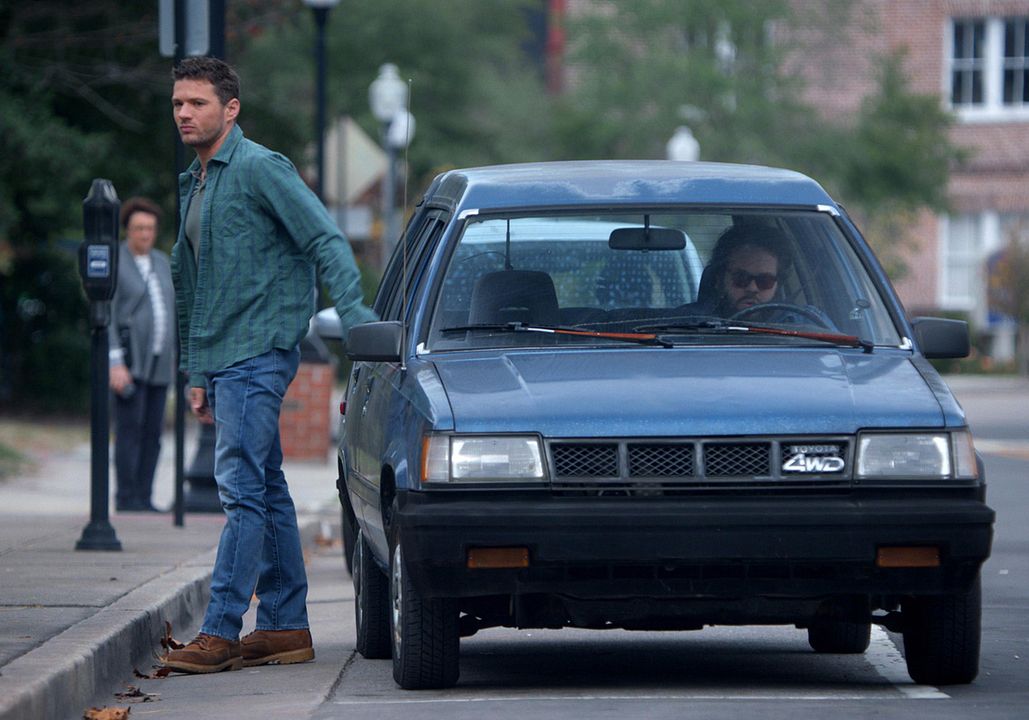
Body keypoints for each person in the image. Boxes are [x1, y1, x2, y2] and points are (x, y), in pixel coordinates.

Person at [161, 57, 376, 674]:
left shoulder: (260, 169)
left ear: (230, 109)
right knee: (265, 487)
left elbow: (324, 239)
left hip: (259, 353)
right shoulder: (196, 183)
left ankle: (221, 630)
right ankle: (284, 627)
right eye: (178, 103)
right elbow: (197, 287)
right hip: (223, 357)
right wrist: (196, 371)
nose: (183, 113)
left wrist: (355, 316)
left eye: (196, 103)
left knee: (240, 491)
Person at [109, 197, 175, 513]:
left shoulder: (163, 262)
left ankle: (144, 497)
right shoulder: (117, 261)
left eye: (149, 228)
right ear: (127, 231)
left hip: (161, 363)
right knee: (129, 431)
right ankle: (126, 497)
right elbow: (106, 316)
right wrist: (114, 363)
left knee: (153, 433)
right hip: (130, 362)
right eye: (138, 228)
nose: (145, 234)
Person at [702, 224, 791, 317]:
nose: (752, 288)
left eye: (765, 281)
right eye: (741, 278)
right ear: (720, 279)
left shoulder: (800, 324)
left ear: (778, 284)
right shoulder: (689, 323)